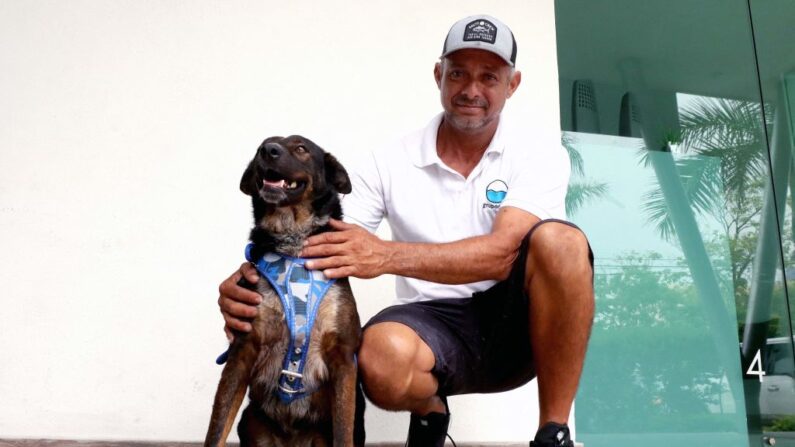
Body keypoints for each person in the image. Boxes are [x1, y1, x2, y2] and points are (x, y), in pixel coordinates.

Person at [218, 14, 594, 447]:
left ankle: (553, 432)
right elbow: (321, 240)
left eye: (489, 77)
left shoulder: (538, 152)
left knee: (563, 241)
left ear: (513, 84)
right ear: (439, 76)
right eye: (458, 74)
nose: (471, 90)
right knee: (377, 354)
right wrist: (251, 284)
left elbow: (502, 253)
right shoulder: (388, 160)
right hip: (427, 324)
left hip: (518, 325)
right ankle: (430, 411)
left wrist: (387, 255)